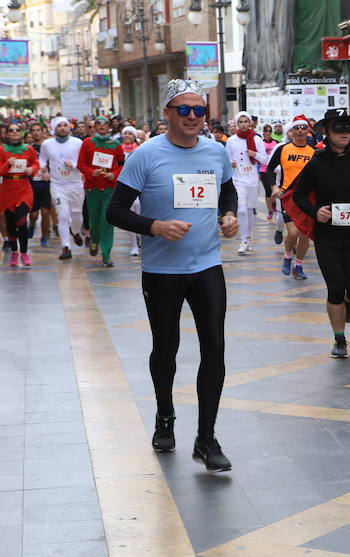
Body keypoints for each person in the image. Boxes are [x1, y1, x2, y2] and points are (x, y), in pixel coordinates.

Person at [106, 78, 239, 472]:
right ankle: (165, 417)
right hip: (162, 270)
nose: (194, 117)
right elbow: (115, 210)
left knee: (215, 346)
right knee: (166, 349)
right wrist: (154, 227)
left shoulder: (216, 152)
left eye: (200, 110)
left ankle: (206, 438)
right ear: (167, 114)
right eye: (185, 110)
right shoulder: (146, 155)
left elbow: (227, 191)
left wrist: (228, 215)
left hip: (207, 265)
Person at [282, 108, 350, 359]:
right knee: (335, 288)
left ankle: (348, 301)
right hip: (327, 237)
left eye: (348, 127)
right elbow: (298, 195)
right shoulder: (317, 161)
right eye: (339, 128)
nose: (345, 133)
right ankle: (339, 339)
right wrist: (316, 212)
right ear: (326, 132)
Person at [268, 115, 315, 280]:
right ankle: (288, 255)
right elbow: (269, 169)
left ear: (308, 130)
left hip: (308, 199)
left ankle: (299, 265)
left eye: (303, 127)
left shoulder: (314, 152)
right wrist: (274, 186)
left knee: (304, 235)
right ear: (291, 131)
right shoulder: (283, 149)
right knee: (293, 233)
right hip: (288, 197)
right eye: (297, 128)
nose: (300, 131)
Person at [77, 116, 124, 267]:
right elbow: (80, 164)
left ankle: (106, 254)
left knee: (107, 220)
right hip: (93, 187)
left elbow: (122, 164)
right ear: (94, 127)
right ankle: (94, 240)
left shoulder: (116, 144)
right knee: (94, 219)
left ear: (109, 127)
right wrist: (91, 173)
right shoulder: (87, 143)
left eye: (104, 124)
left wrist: (114, 174)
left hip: (110, 188)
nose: (102, 127)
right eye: (98, 124)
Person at [39, 116, 85, 260]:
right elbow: (42, 159)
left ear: (69, 127)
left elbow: (85, 162)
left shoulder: (78, 143)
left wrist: (74, 165)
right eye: (59, 126)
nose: (63, 128)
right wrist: (44, 169)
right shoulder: (47, 144)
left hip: (76, 184)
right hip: (58, 185)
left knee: (77, 216)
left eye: (65, 125)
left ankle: (76, 232)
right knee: (63, 215)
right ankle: (66, 247)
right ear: (54, 128)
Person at [226, 110, 267, 254]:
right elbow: (228, 159)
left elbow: (264, 159)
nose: (243, 124)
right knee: (241, 210)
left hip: (252, 180)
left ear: (250, 123)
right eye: (240, 122)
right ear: (237, 124)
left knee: (249, 210)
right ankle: (243, 240)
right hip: (238, 180)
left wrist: (254, 154)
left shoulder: (256, 139)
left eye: (245, 122)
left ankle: (249, 237)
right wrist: (231, 163)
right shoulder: (231, 141)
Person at [0, 123, 40, 267]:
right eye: (11, 130)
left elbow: (36, 163)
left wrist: (32, 169)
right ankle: (14, 252)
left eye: (17, 130)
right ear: (7, 134)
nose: (15, 132)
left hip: (24, 188)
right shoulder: (2, 150)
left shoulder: (28, 149)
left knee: (21, 221)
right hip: (7, 189)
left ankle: (24, 253)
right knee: (10, 224)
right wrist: (7, 165)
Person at [27, 123, 53, 248]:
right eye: (33, 130)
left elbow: (57, 164)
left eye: (38, 130)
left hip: (47, 184)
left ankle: (44, 237)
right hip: (32, 185)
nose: (36, 132)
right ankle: (31, 225)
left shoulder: (49, 147)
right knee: (33, 214)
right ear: (30, 133)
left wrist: (50, 175)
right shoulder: (28, 149)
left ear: (43, 132)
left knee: (46, 212)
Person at [120, 126, 142, 256]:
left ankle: (141, 237)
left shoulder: (140, 149)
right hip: (123, 185)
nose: (127, 136)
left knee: (139, 211)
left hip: (138, 185)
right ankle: (133, 245)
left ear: (134, 136)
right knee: (128, 215)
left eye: (130, 133)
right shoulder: (118, 149)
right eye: (125, 133)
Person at [259, 124, 279, 222]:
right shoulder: (260, 143)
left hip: (274, 170)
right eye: (266, 131)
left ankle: (274, 205)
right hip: (263, 170)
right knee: (268, 191)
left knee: (274, 190)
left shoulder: (276, 143)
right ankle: (270, 211)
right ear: (263, 132)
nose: (268, 133)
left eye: (269, 131)